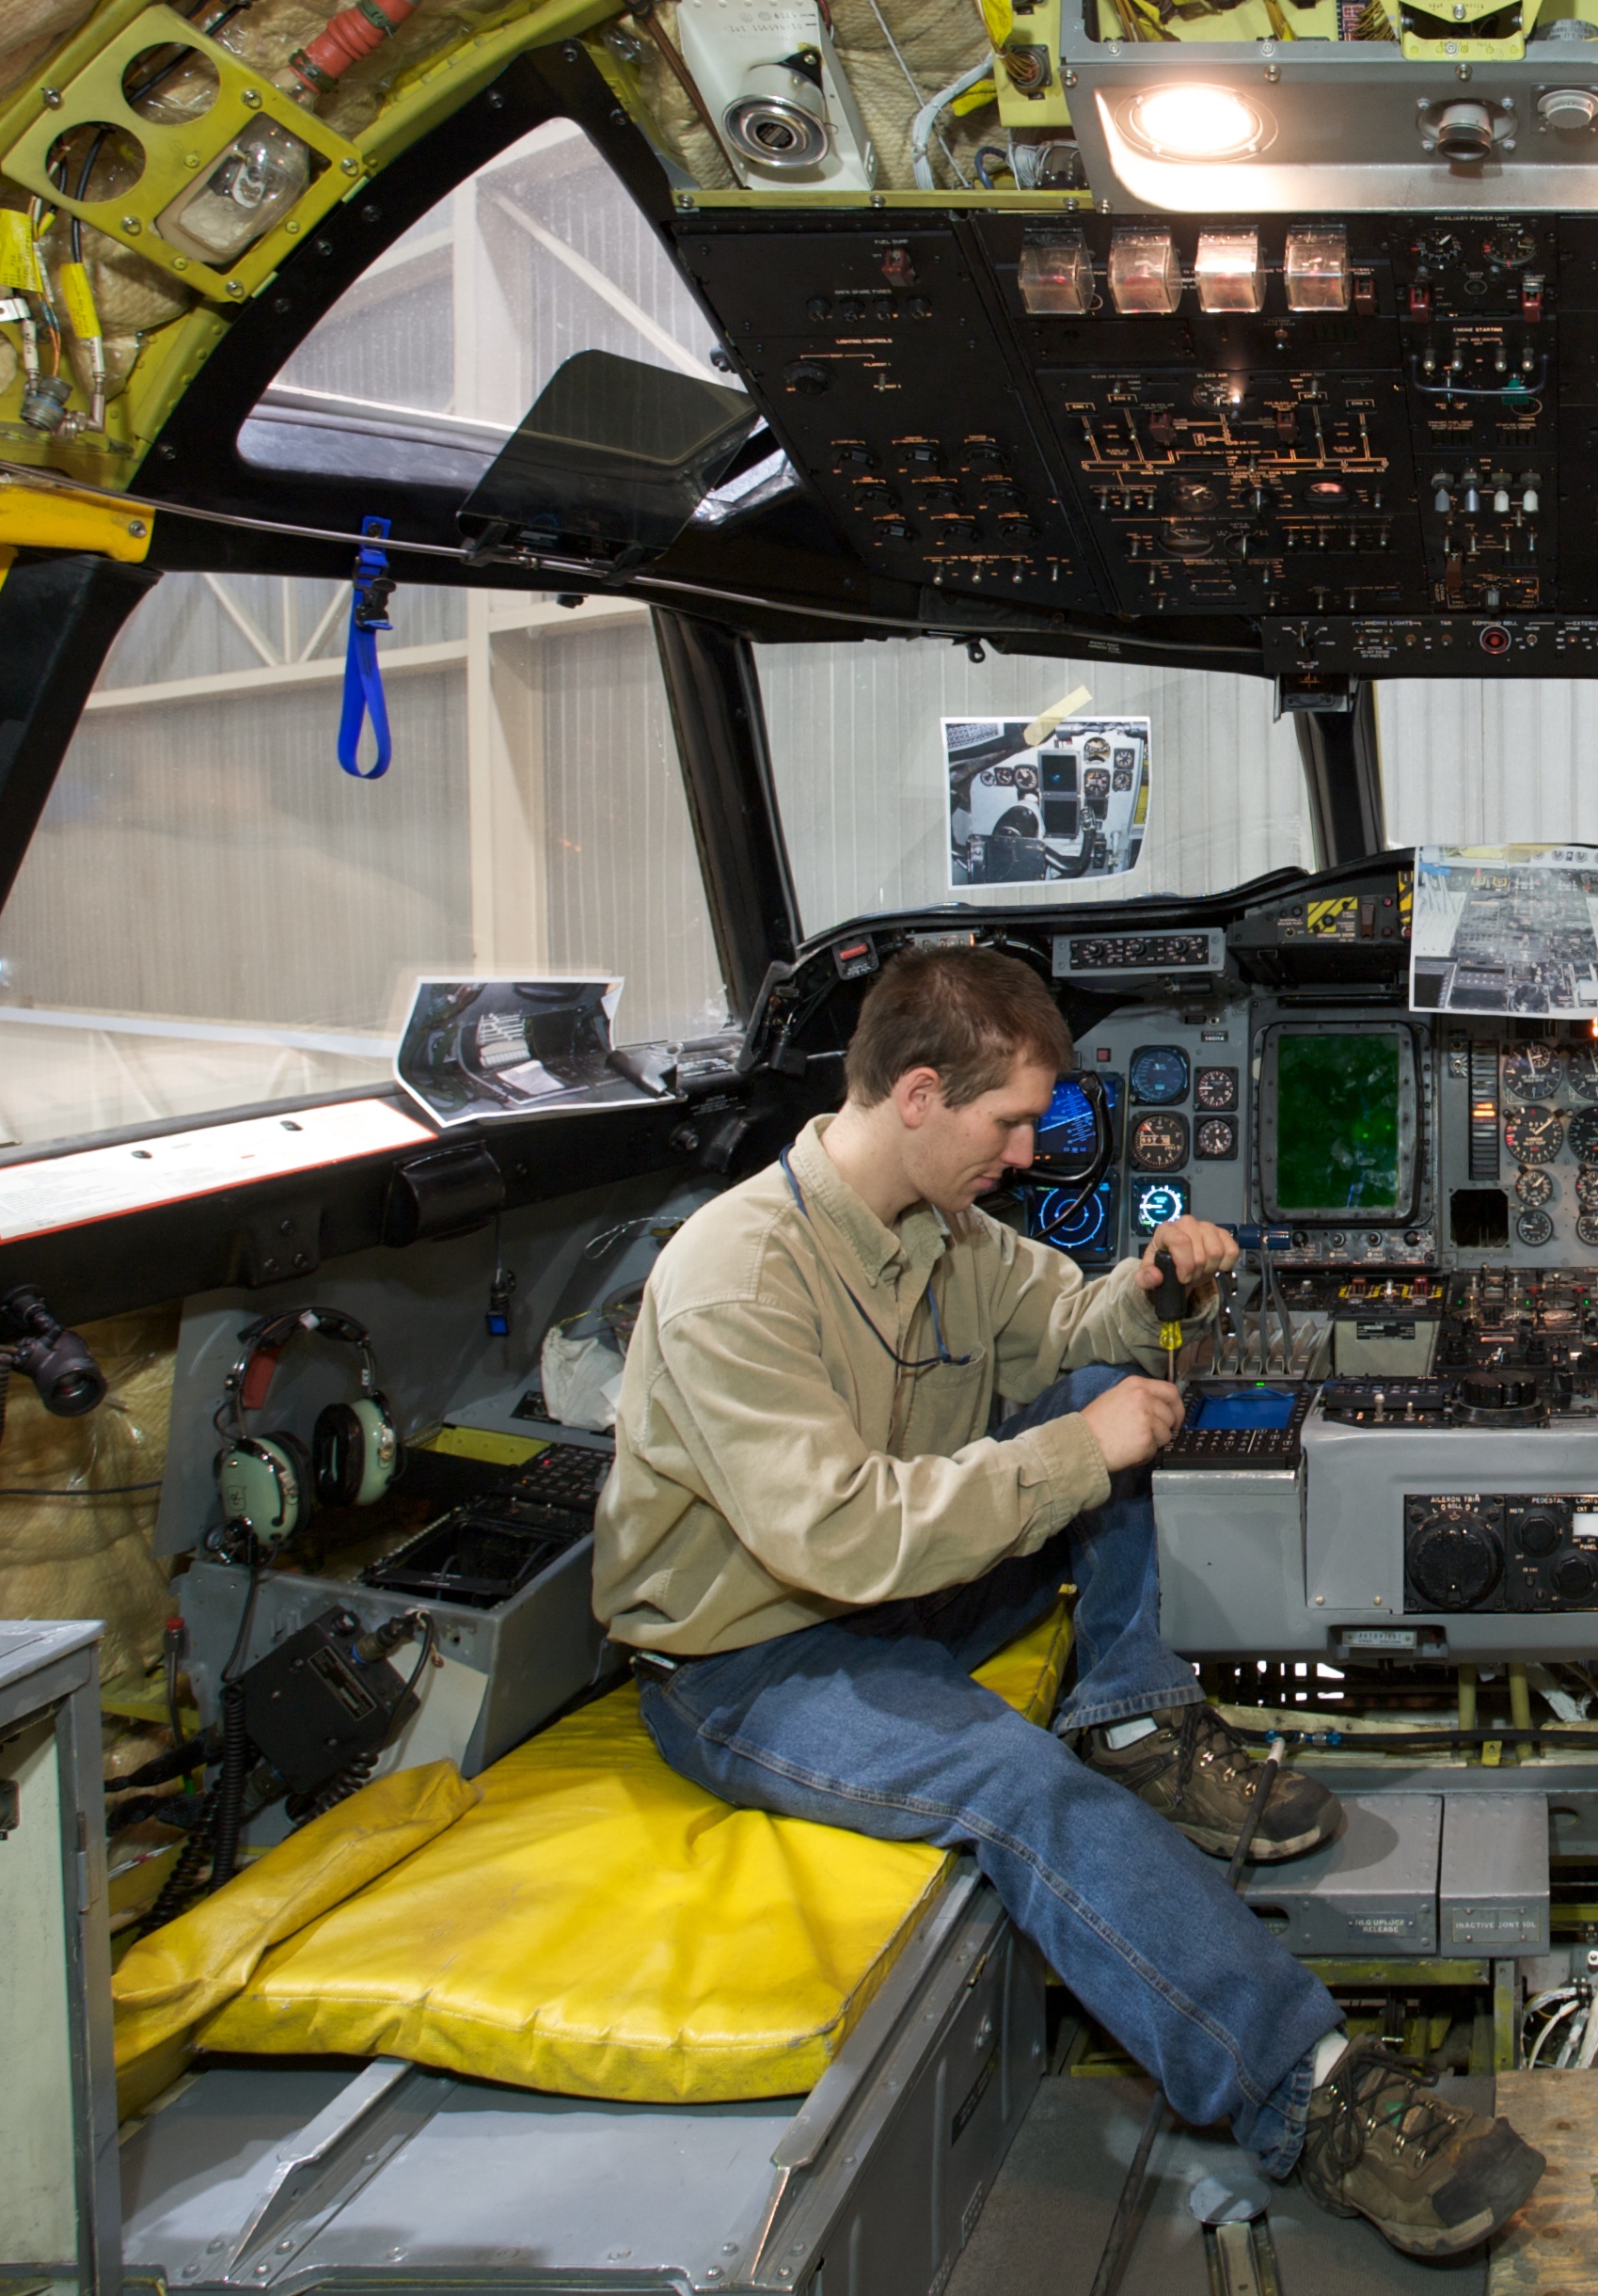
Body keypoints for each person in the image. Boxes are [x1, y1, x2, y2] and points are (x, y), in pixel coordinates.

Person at [593, 945, 1544, 2256]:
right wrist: (1074, 1451)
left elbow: (1072, 1333)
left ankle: (1138, 1720)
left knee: (1134, 1408)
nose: (1031, 1153)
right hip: (752, 1660)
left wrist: (1153, 1291)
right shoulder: (736, 1277)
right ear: (917, 1095)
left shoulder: (945, 1233)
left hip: (899, 1597)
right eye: (1011, 1122)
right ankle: (1306, 2094)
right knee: (1022, 1787)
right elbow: (835, 1536)